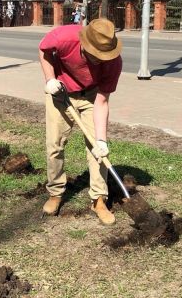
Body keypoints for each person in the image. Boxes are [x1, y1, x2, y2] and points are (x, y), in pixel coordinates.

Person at [38, 17, 123, 225]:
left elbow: (102, 102)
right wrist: (50, 79)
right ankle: (56, 193)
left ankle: (98, 199)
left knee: (97, 149)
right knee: (54, 145)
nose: (98, 60)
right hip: (60, 91)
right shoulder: (64, 37)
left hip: (92, 96)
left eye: (102, 56)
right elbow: (43, 51)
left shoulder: (113, 62)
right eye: (95, 55)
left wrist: (101, 140)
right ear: (84, 43)